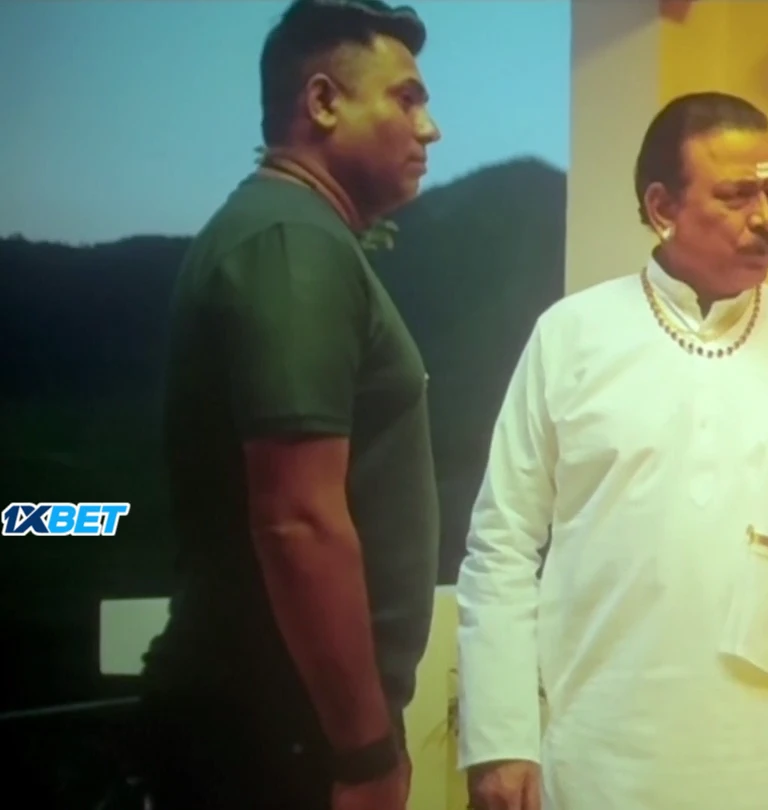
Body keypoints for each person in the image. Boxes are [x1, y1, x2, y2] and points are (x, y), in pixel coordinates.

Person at [455, 91, 768, 810]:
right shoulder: (572, 336)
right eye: (737, 196)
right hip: (604, 760)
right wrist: (501, 738)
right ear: (662, 207)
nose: (766, 218)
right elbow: (502, 543)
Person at [138, 2, 442, 809]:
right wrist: (365, 753)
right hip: (277, 738)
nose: (431, 127)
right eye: (407, 98)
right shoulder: (290, 243)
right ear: (323, 102)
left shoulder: (294, 233)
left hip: (286, 727)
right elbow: (297, 521)